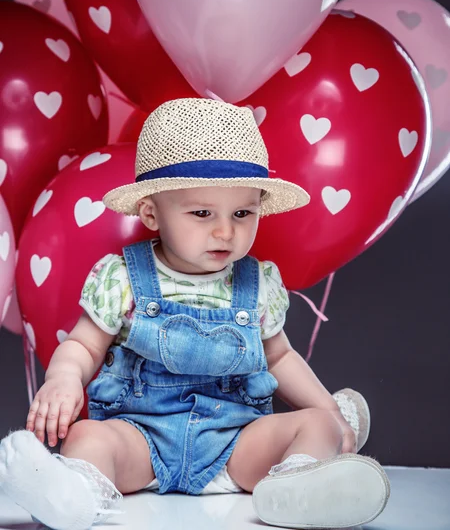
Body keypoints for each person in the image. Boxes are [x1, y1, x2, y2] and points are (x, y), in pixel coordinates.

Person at [0, 98, 390, 530]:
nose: (226, 231)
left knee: (317, 425)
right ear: (151, 212)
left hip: (236, 442)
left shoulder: (257, 283)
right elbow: (83, 344)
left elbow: (279, 357)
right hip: (141, 437)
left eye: (242, 213)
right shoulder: (123, 278)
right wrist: (64, 378)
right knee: (87, 436)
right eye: (202, 213)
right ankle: (73, 494)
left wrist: (329, 413)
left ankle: (296, 486)